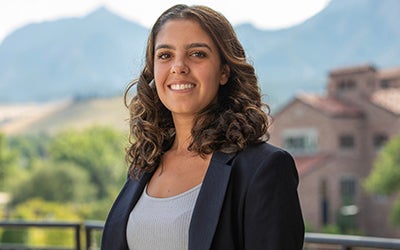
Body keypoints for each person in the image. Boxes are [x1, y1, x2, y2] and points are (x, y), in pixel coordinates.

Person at [101, 4, 304, 250]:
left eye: (197, 54)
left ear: (224, 71)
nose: (178, 67)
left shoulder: (264, 169)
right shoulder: (144, 165)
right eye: (165, 55)